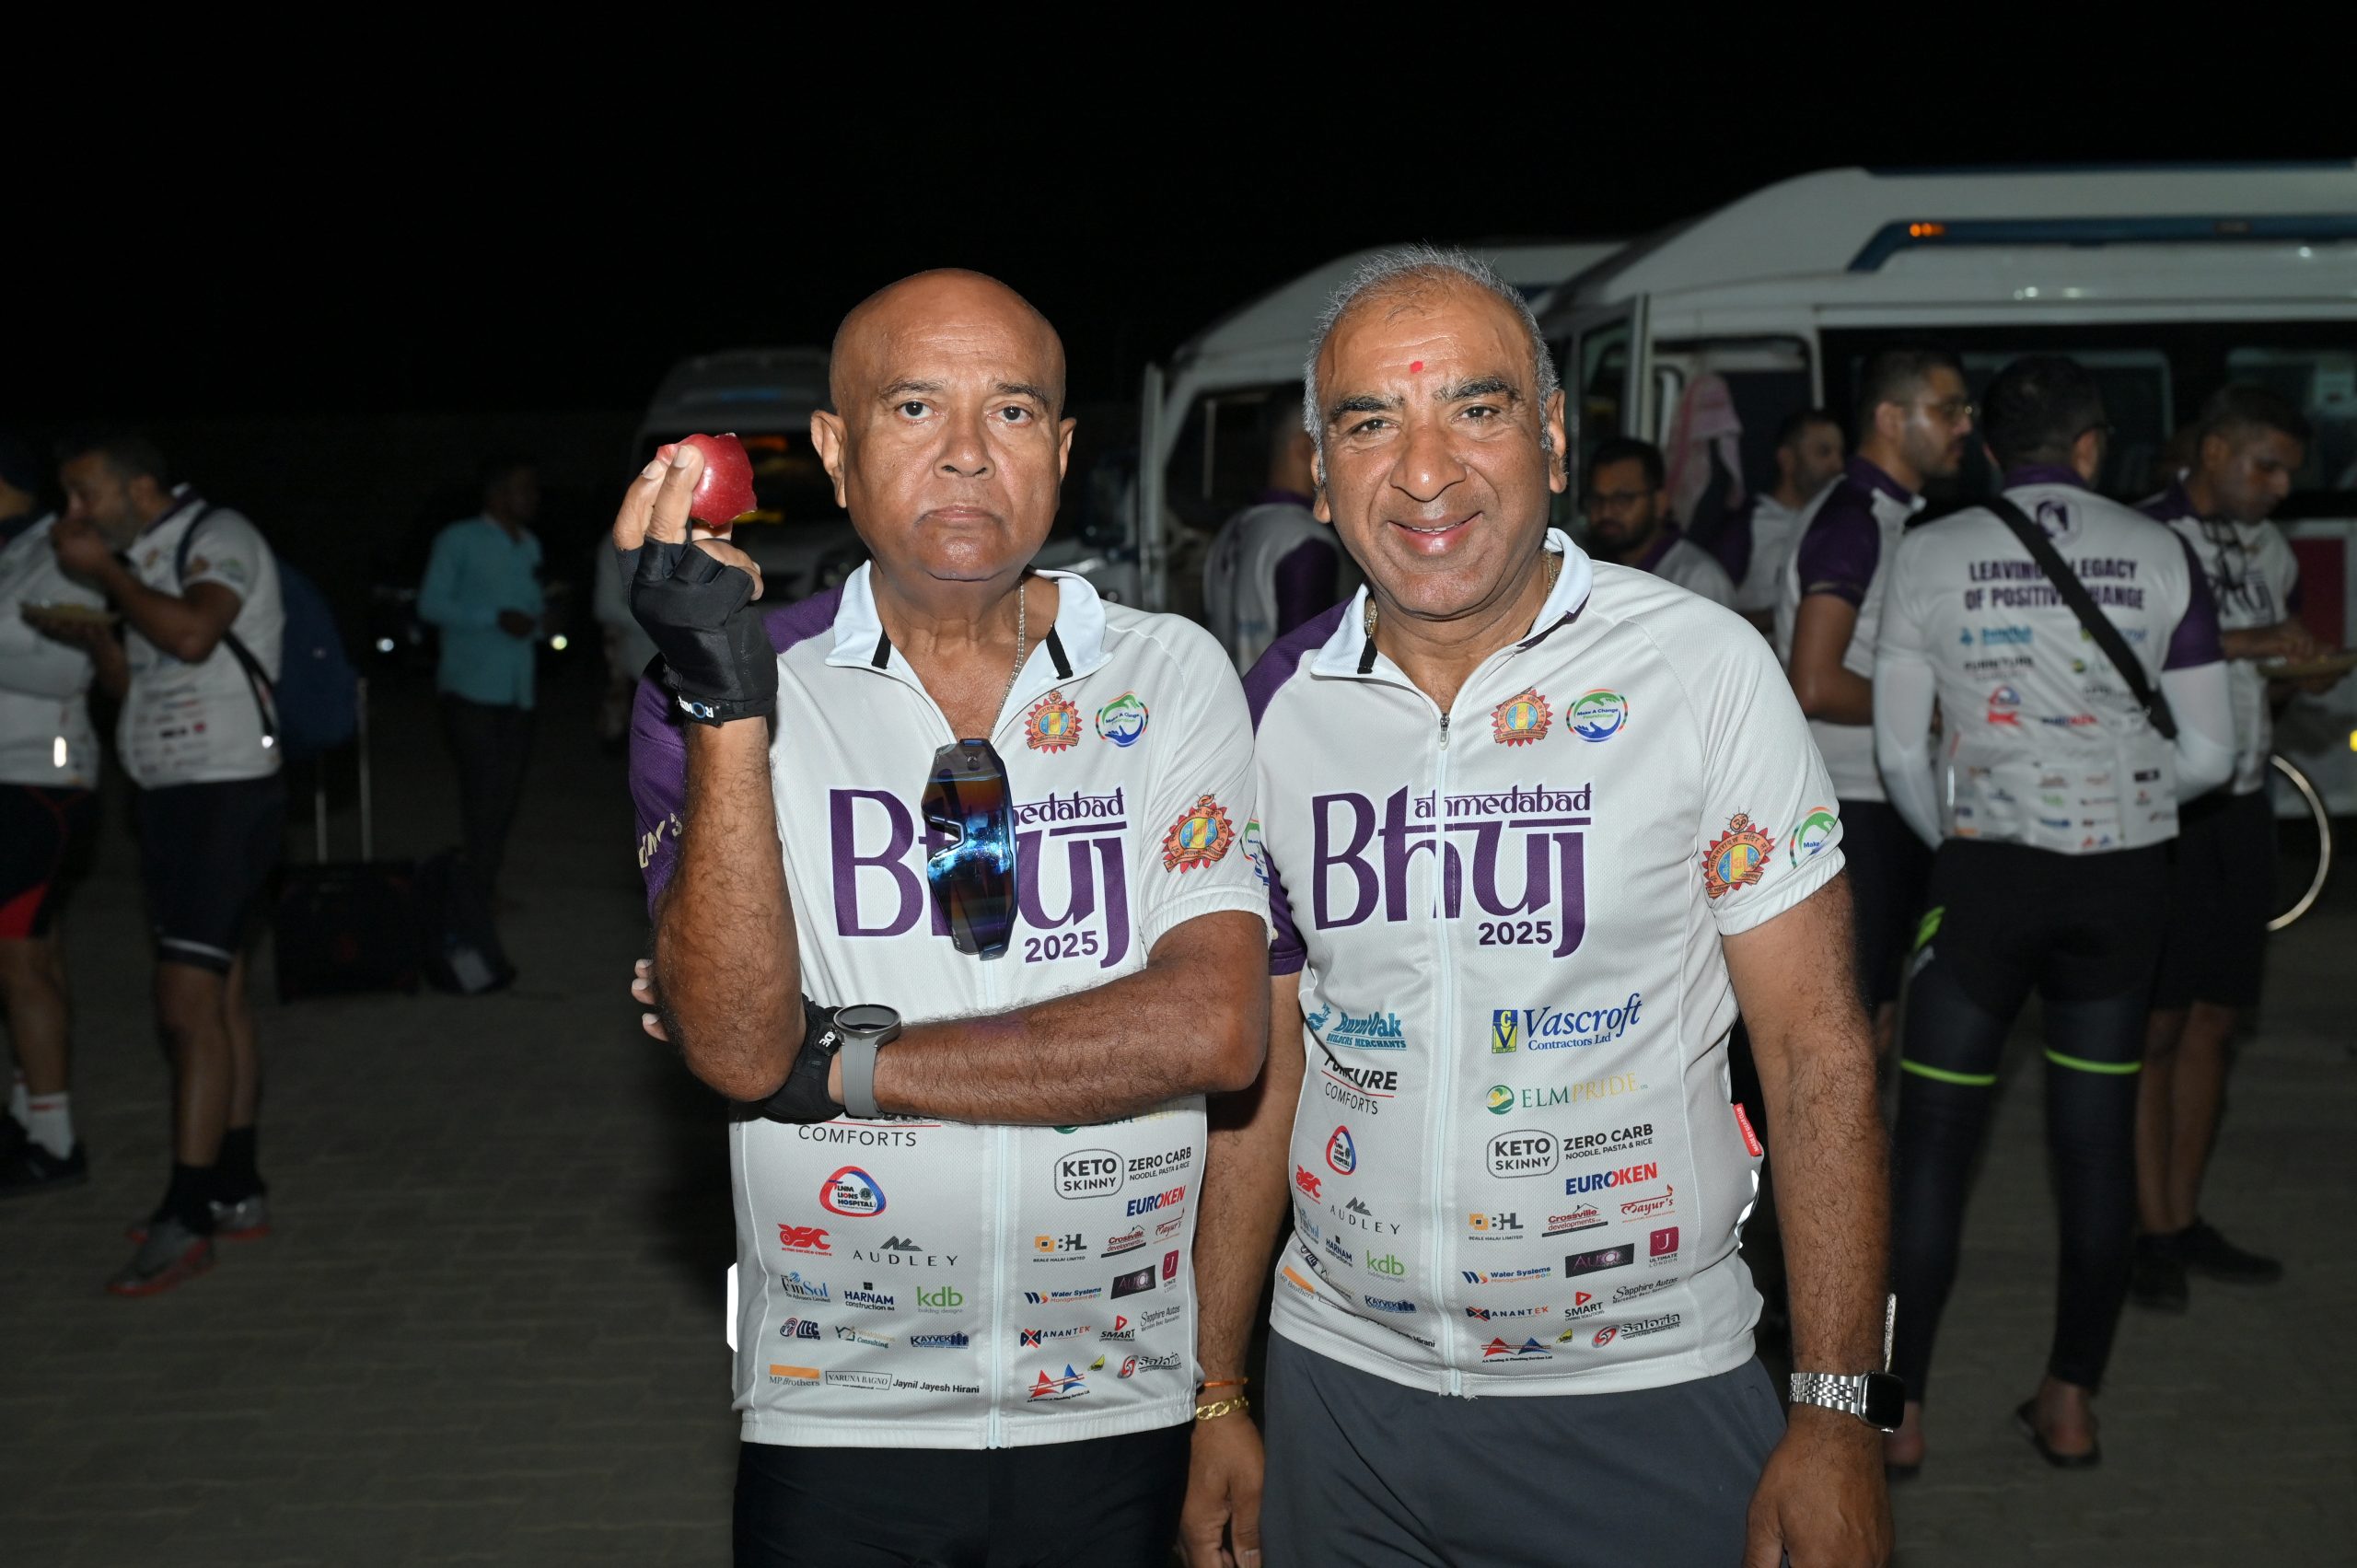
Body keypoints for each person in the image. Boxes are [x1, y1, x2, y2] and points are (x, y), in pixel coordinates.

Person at [1181, 247, 1893, 1568]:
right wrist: (1217, 1387)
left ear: (1553, 438)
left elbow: (1817, 1052)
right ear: (1320, 473)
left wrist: (1839, 1406)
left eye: (1477, 407)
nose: (1425, 469)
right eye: (1370, 422)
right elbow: (1260, 1073)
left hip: (1648, 1389)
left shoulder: (1702, 670)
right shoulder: (1273, 707)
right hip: (1341, 1392)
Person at [621, 271, 1271, 1568]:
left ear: (1063, 451)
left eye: (1012, 410)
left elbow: (1214, 1027)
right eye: (915, 406)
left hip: (1118, 1399)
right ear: (834, 451)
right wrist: (726, 702)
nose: (969, 451)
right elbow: (742, 1047)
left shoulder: (1169, 670)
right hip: (834, 1405)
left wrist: (843, 1062)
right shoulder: (725, 682)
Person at [1874, 354, 2234, 1472]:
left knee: (1930, 1148)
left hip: (1985, 877)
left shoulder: (1925, 551)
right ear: (2088, 447)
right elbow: (2211, 753)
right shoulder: (2161, 550)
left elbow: (1898, 751)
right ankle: (2070, 1401)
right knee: (2092, 1144)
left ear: (1987, 448)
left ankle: (1897, 1414)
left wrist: (1966, 837)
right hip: (2119, 884)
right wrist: (2111, 799)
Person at [50, 434, 286, 1294]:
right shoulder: (147, 557)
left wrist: (109, 584)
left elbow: (192, 634)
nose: (73, 514)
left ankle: (186, 1215)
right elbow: (145, 675)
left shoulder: (217, 535)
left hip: (225, 796)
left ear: (141, 486)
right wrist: (97, 640)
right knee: (218, 996)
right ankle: (235, 1186)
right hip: (173, 794)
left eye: (86, 495)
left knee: (184, 1003)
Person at [2133, 385, 2342, 1308]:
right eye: (2266, 466)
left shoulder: (2268, 549)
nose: (2279, 488)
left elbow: (2266, 680)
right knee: (2155, 1026)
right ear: (2214, 451)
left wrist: (2298, 673)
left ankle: (2181, 1218)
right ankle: (2144, 1227)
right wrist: (2253, 641)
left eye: (2289, 472)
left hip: (2246, 798)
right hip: (2166, 804)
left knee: (2216, 1020)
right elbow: (2123, 655)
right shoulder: (2143, 536)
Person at [1775, 350, 1973, 1057]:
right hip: (1852, 809)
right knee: (1849, 1035)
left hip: (1875, 802)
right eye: (1947, 410)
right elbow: (1815, 681)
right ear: (1890, 418)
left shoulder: (1881, 516)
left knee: (1875, 1023)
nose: (1964, 426)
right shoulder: (1852, 520)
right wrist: (1934, 707)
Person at [0, 434, 105, 1194]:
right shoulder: (15, 554)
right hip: (11, 775)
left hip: (41, 775)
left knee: (19, 958)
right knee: (34, 949)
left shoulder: (61, 551)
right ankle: (29, 1116)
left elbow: (71, 665)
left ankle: (55, 1140)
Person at [418, 458, 544, 902]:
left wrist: (543, 622)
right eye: (523, 489)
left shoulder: (529, 544)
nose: (532, 498)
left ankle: (481, 883)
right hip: (470, 688)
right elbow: (430, 604)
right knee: (482, 792)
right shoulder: (458, 539)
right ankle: (477, 890)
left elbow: (530, 612)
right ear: (496, 493)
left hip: (518, 689)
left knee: (505, 795)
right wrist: (494, 617)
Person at [1202, 392, 1342, 671]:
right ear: (1306, 448)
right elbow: (1304, 671)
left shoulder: (1230, 530)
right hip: (1272, 698)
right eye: (1332, 443)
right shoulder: (1305, 541)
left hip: (1229, 694)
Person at [1580, 435, 1736, 607]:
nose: (1606, 512)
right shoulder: (1590, 570)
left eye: (1622, 499)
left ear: (1660, 502)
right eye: (1597, 499)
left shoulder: (1697, 579)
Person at [1730, 409, 1845, 633]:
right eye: (1824, 453)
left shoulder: (1838, 524)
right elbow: (1710, 614)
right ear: (1788, 460)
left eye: (1840, 453)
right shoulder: (1749, 525)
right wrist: (1792, 614)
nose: (1838, 465)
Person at [594, 528, 658, 754]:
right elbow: (605, 606)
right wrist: (665, 622)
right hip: (638, 665)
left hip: (692, 669)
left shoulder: (695, 533)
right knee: (647, 751)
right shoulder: (622, 538)